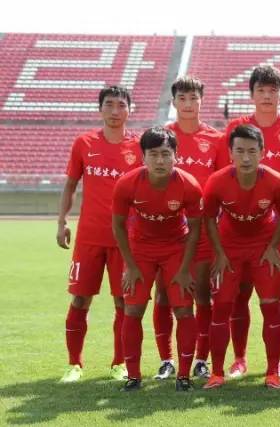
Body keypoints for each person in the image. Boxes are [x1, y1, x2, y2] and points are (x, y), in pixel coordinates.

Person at [223, 65, 280, 379]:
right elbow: (225, 167)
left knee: (277, 291)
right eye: (261, 90)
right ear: (251, 94)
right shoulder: (237, 126)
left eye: (272, 90)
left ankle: (277, 362)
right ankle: (239, 359)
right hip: (239, 222)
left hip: (278, 223)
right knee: (240, 292)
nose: (266, 96)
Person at [57, 86, 141, 383]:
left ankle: (120, 363)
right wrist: (62, 221)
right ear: (100, 108)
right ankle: (74, 364)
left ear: (130, 109)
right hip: (89, 237)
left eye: (121, 105)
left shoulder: (140, 146)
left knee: (123, 302)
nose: (115, 111)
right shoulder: (84, 143)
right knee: (80, 299)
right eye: (109, 105)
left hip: (125, 240)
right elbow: (70, 185)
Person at [202, 124, 280, 390]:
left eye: (252, 151)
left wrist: (273, 247)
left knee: (270, 304)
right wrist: (219, 254)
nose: (245, 157)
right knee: (222, 306)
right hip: (229, 247)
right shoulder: (217, 181)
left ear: (262, 153)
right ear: (230, 153)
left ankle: (273, 371)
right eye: (239, 151)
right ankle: (218, 372)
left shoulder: (275, 181)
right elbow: (208, 219)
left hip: (262, 246)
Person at [112, 126, 203, 392]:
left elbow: (195, 230)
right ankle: (133, 376)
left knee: (184, 309)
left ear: (176, 156)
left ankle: (183, 376)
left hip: (176, 248)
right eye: (153, 154)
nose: (160, 161)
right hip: (141, 249)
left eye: (165, 154)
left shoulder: (189, 185)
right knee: (133, 310)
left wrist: (184, 270)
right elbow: (118, 226)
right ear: (143, 157)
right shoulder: (127, 184)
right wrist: (130, 266)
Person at [152, 75, 226, 381]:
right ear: (173, 102)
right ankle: (166, 359)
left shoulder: (216, 139)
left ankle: (200, 359)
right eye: (182, 98)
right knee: (164, 296)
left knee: (202, 295)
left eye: (193, 98)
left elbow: (222, 185)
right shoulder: (162, 137)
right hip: (168, 232)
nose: (188, 104)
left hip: (204, 230)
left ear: (201, 101)